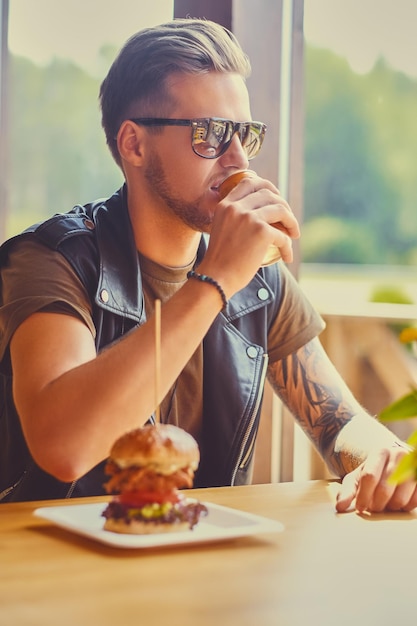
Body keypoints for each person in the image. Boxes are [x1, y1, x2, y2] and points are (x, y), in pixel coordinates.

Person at [0, 18, 415, 513]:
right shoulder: (49, 259)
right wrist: (216, 280)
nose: (238, 158)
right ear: (133, 144)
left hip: (201, 567)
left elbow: (338, 421)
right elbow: (64, 448)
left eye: (244, 133)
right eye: (211, 133)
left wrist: (381, 454)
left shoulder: (256, 275)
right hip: (49, 574)